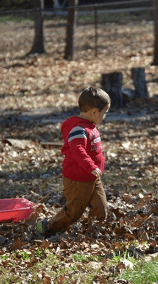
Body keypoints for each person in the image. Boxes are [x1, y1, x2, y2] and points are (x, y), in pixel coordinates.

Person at [37, 87, 111, 236]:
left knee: (101, 208)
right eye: (105, 113)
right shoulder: (78, 129)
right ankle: (48, 226)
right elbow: (78, 151)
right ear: (94, 112)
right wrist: (91, 166)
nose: (105, 116)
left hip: (92, 177)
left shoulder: (90, 126)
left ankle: (92, 233)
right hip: (77, 179)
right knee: (73, 212)